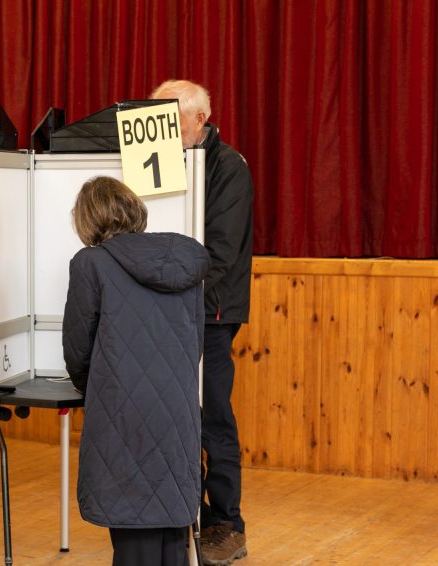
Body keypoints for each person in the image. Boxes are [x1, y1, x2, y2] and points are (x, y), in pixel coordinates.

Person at [62, 176, 211, 566]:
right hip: (178, 412)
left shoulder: (90, 264)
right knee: (169, 539)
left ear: (88, 220)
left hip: (122, 417)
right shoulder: (186, 263)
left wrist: (98, 386)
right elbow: (194, 343)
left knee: (132, 540)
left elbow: (78, 350)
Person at [150, 80, 254, 566]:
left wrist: (171, 286)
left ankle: (226, 524)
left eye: (170, 119)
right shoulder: (158, 160)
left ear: (199, 120)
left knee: (212, 416)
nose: (161, 128)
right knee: (173, 417)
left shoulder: (228, 167)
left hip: (210, 313)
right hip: (167, 310)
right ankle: (182, 513)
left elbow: (220, 253)